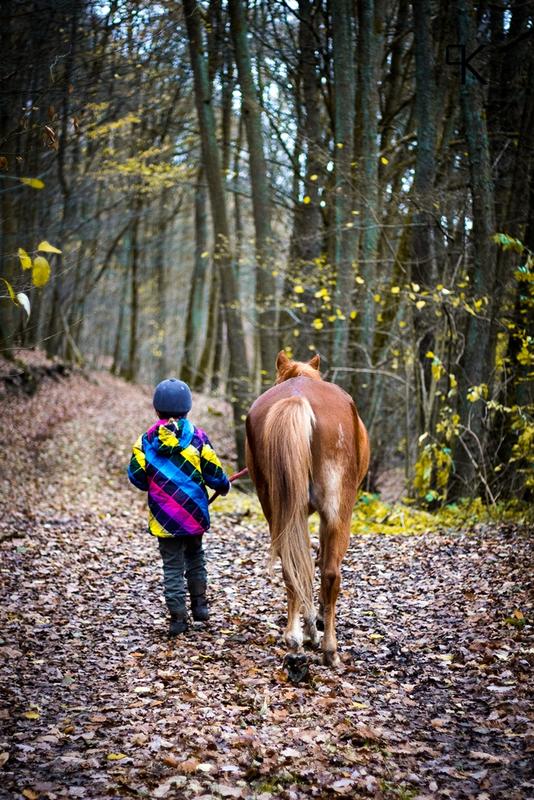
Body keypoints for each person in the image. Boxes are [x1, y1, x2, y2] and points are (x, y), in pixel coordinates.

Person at [127, 378, 230, 637]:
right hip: (193, 513)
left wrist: (156, 484)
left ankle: (177, 619)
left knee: (172, 565)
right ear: (187, 407)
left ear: (156, 409)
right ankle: (200, 606)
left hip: (164, 518)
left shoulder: (145, 441)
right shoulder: (197, 437)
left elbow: (137, 476)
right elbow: (213, 471)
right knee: (195, 556)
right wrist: (224, 484)